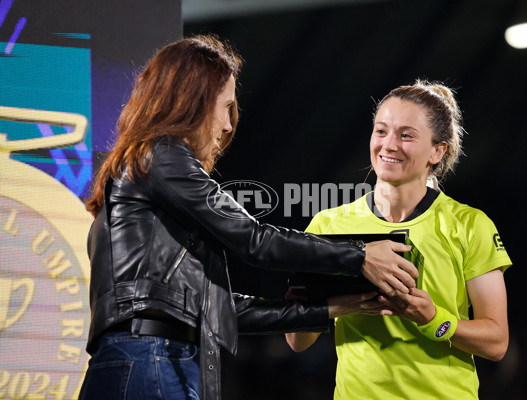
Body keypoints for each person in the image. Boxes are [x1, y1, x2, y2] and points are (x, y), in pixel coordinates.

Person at [77, 34, 418, 400]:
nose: (228, 126)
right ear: (193, 100)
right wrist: (360, 256)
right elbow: (252, 239)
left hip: (147, 362)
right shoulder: (162, 155)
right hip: (153, 362)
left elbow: (223, 312)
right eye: (226, 107)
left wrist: (335, 306)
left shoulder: (144, 178)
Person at [286, 80, 512, 399]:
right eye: (381, 131)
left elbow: (497, 341)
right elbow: (297, 341)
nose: (389, 145)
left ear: (438, 150)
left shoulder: (469, 224)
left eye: (406, 135)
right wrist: (342, 304)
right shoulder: (328, 225)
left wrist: (434, 319)